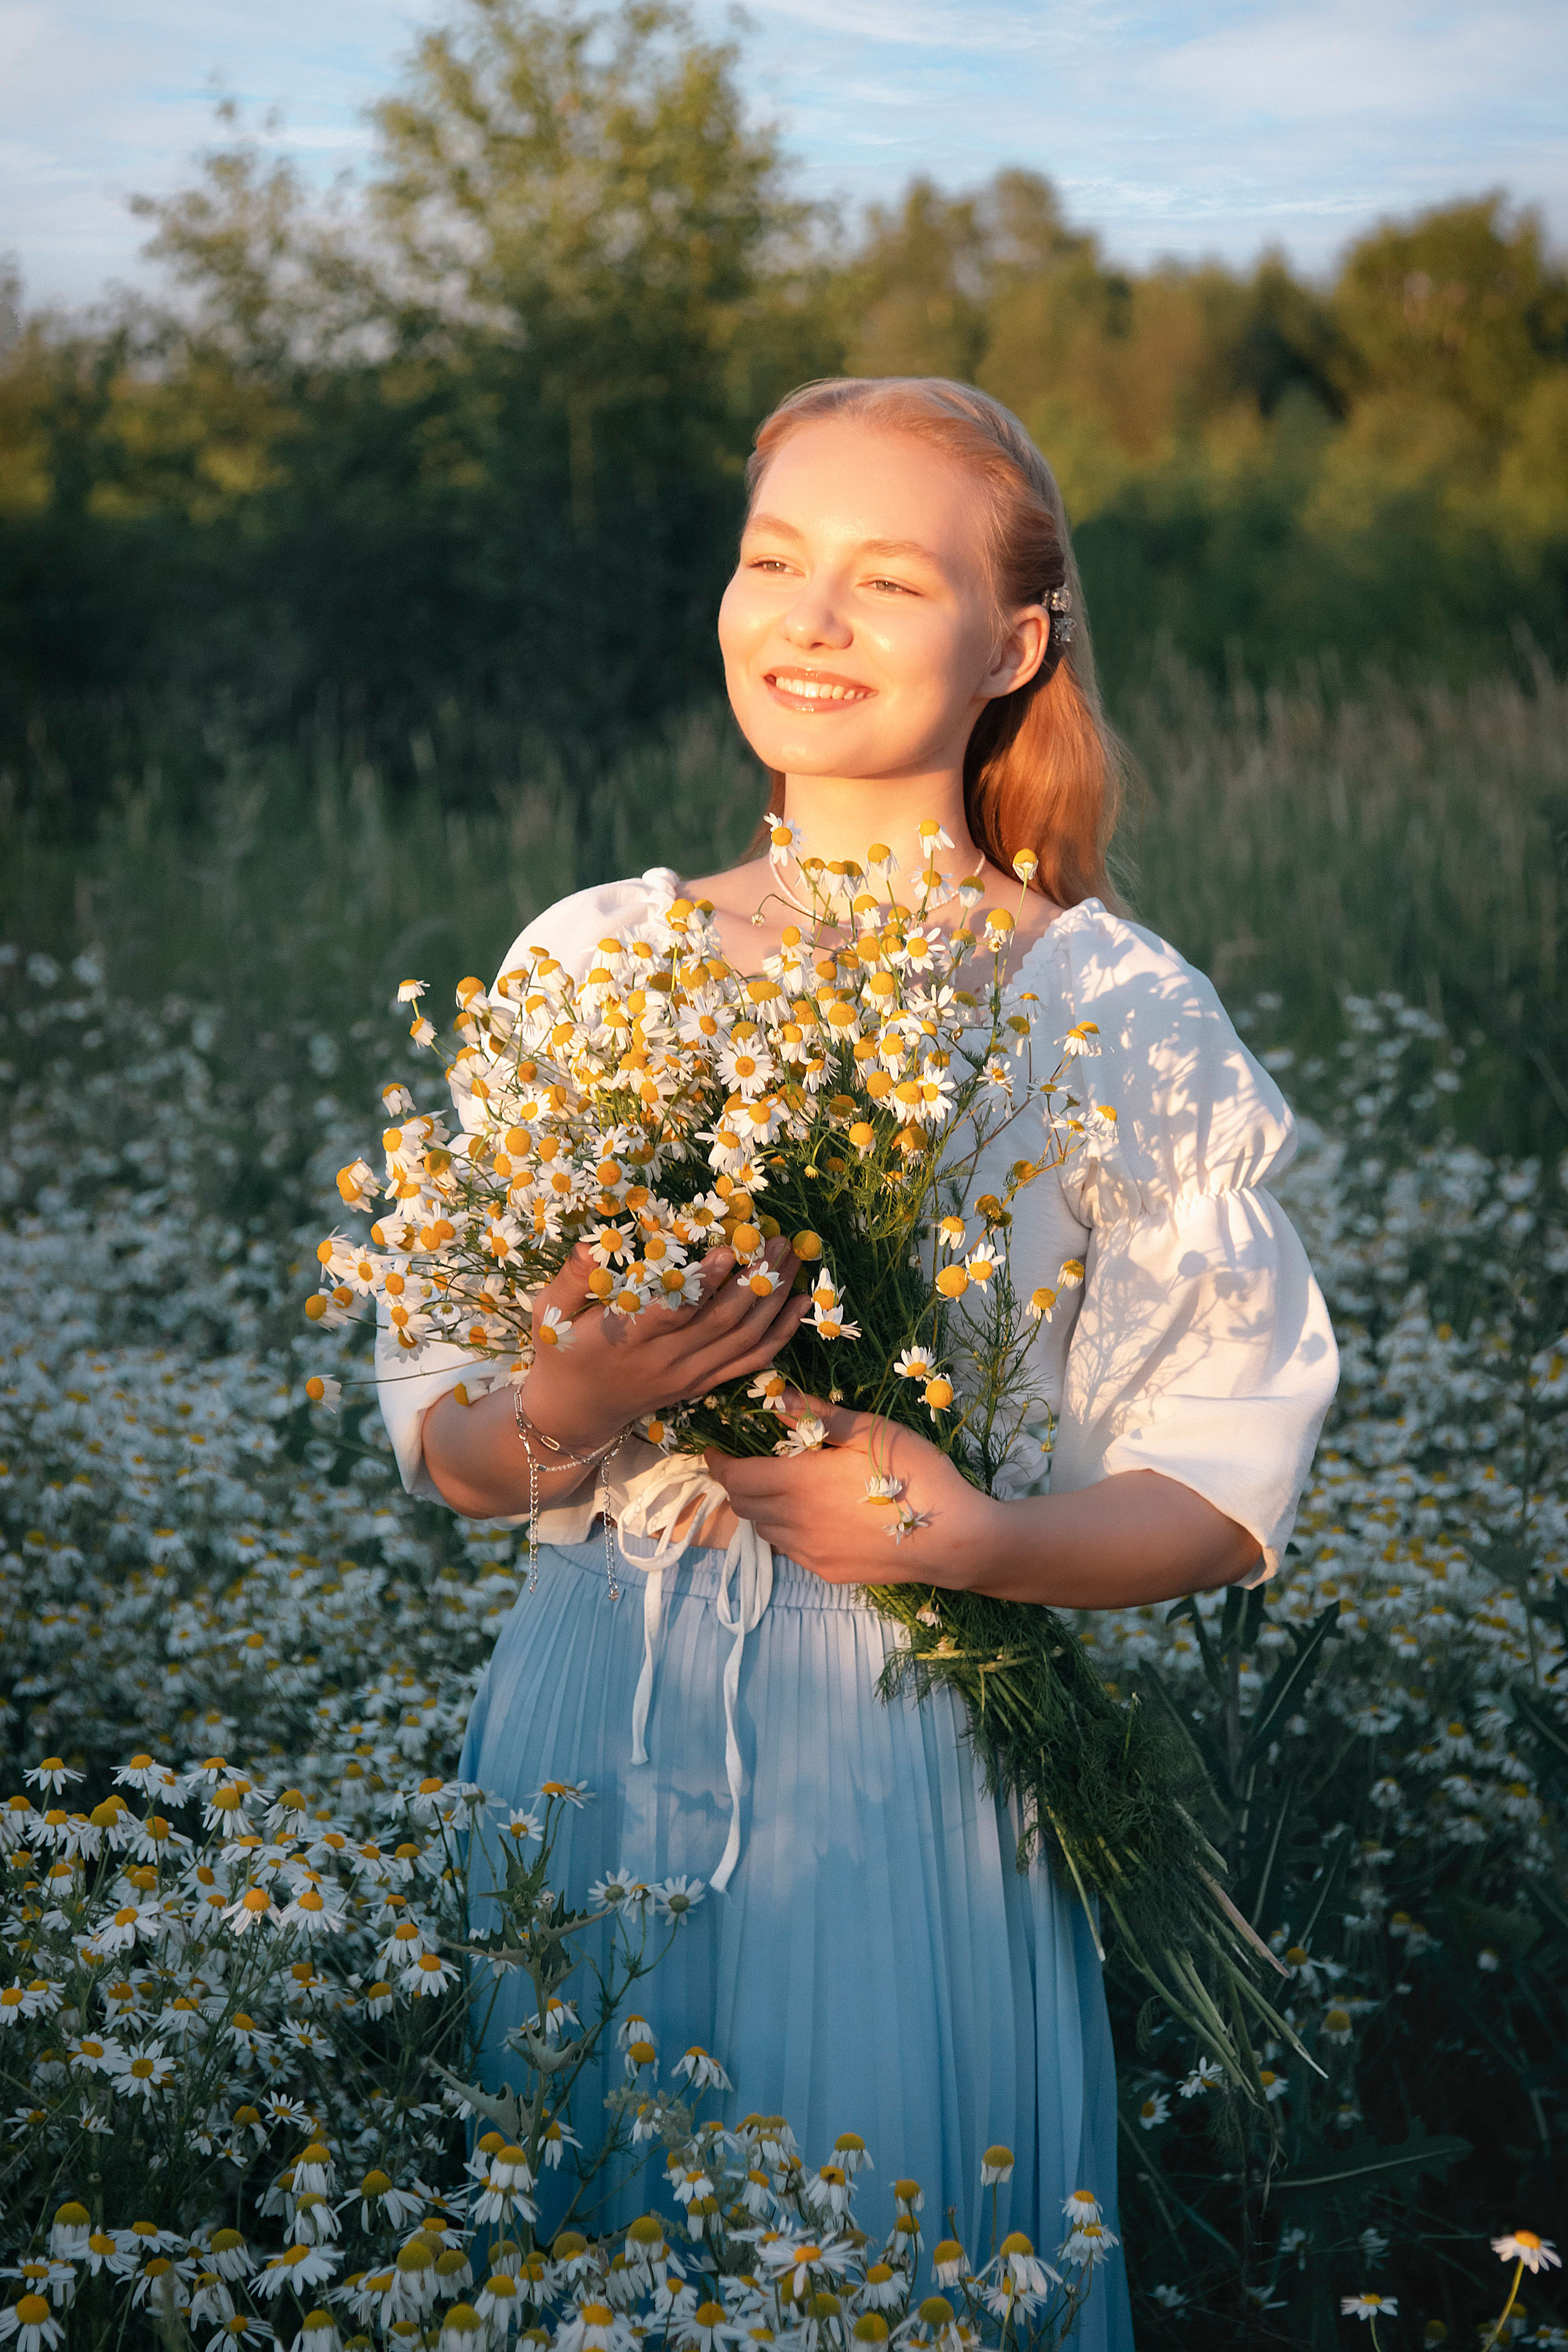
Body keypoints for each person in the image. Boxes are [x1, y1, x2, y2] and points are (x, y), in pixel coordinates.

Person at [377, 377, 1338, 2346]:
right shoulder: (590, 963)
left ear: (1012, 645)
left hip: (895, 1743)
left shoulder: (1113, 1012)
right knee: (572, 2256)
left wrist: (970, 1541)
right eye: (773, 563)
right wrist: (575, 1401)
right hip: (590, 1705)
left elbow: (1229, 1490)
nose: (808, 621)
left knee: (886, 2268)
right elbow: (457, 1449)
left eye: (888, 580)